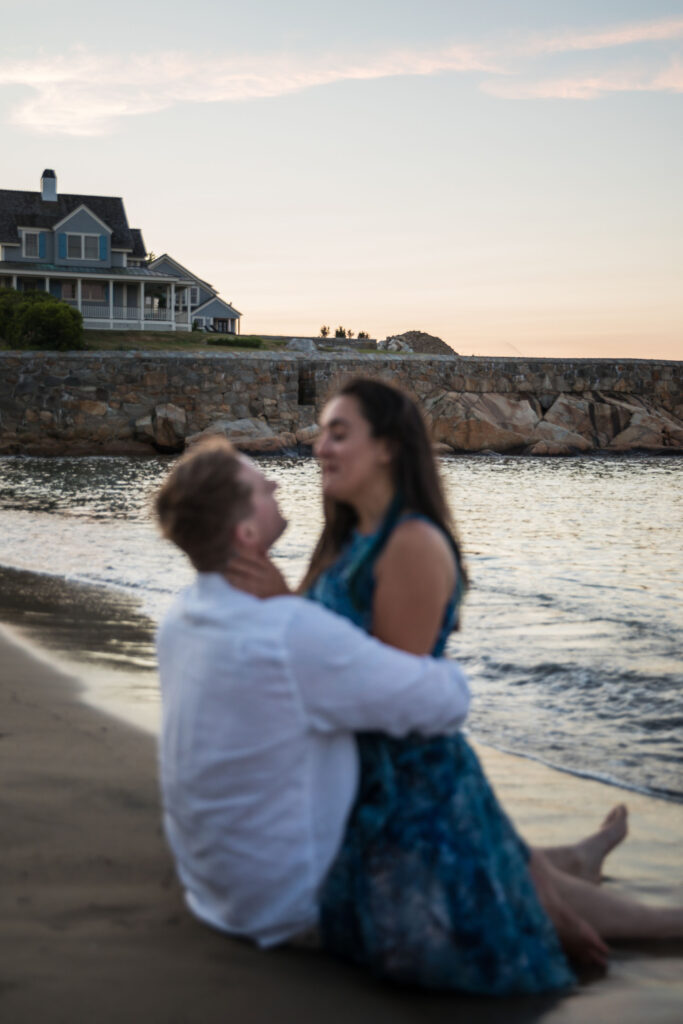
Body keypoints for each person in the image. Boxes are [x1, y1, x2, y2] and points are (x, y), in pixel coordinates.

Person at [227, 377, 683, 994]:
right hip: (351, 776)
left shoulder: (410, 544)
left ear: (387, 447)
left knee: (509, 906)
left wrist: (284, 608)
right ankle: (574, 861)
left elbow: (391, 695)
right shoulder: (349, 540)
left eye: (339, 433)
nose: (319, 448)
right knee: (504, 875)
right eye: (321, 433)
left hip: (407, 785)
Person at [154, 437, 471, 951]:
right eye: (260, 487)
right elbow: (448, 701)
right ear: (248, 532)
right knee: (455, 839)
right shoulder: (287, 631)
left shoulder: (181, 615)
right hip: (288, 906)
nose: (276, 482)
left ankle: (563, 866)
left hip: (214, 889)